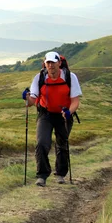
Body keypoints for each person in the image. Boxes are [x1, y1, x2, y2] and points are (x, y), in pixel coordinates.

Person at [22, 51, 82, 186]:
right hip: (46, 114)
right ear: (45, 64)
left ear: (59, 63)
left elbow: (75, 101)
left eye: (53, 63)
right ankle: (42, 176)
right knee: (42, 143)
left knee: (62, 143)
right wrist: (26, 97)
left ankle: (60, 174)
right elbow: (32, 101)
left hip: (64, 114)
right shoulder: (39, 78)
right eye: (48, 63)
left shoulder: (70, 77)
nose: (51, 66)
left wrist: (68, 112)